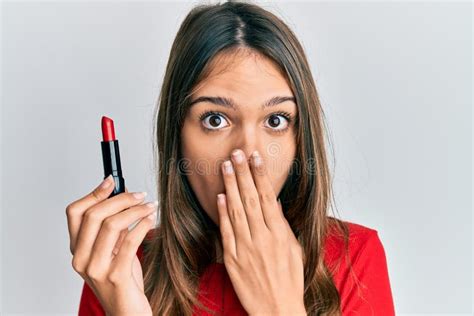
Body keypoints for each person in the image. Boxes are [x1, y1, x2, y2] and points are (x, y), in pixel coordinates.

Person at [66, 1, 395, 315]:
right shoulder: (119, 270)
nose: (248, 156)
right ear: (177, 133)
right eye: (215, 120)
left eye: (275, 120)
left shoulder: (354, 257)